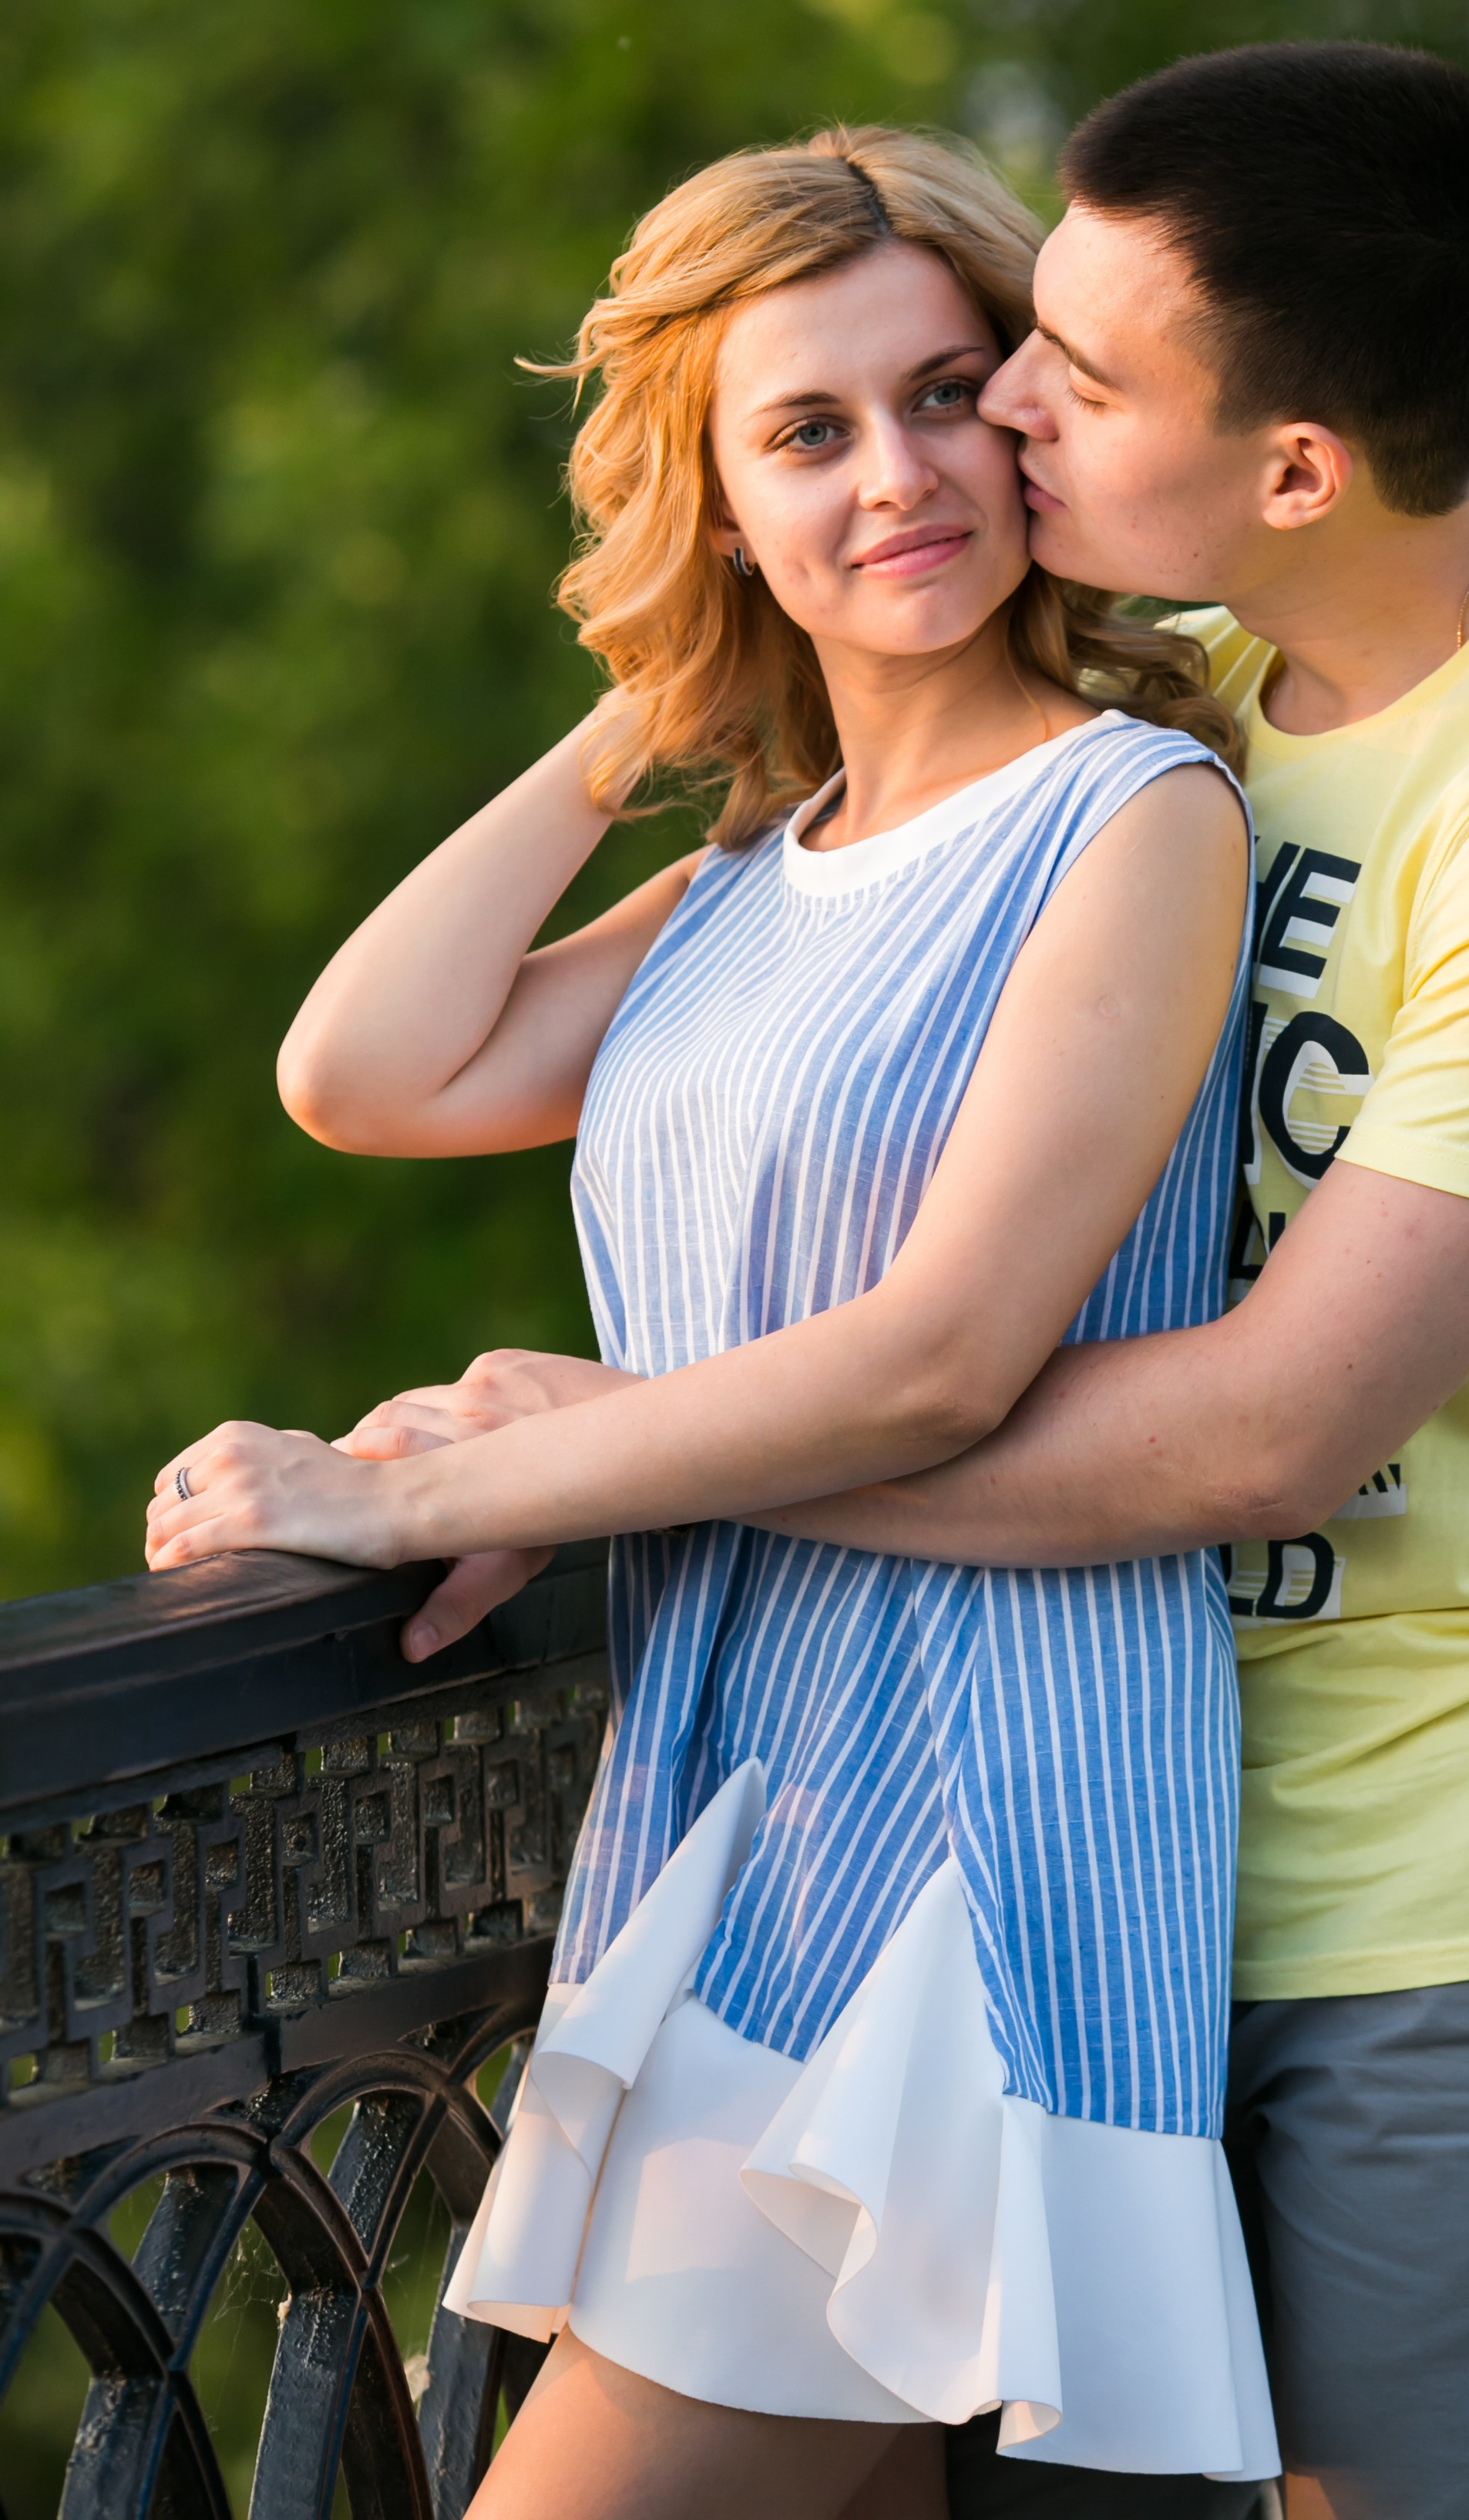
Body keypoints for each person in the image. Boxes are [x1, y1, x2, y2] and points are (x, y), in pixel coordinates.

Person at [375, 45, 1469, 2520]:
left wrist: (614, 1463)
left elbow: (1250, 1429)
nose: (1008, 413)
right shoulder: (1203, 691)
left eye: (1061, 371)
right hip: (1108, 1854)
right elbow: (426, 1071)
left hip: (1453, 1918)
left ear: (1292, 467)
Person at [146, 126, 1279, 2517]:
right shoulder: (758, 872)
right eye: (806, 433)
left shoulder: (1126, 814)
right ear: (717, 498)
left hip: (979, 1797)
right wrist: (651, 701)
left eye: (951, 392)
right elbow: (367, 1069)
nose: (902, 473)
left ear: (1037, 411)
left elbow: (933, 1360)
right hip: (737, 1786)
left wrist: (412, 1496)